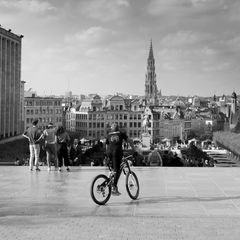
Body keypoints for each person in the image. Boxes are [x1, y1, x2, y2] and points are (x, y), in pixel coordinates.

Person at [105, 122, 135, 196]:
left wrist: (107, 155)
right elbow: (130, 141)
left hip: (109, 153)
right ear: (118, 128)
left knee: (113, 169)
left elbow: (106, 145)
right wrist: (133, 149)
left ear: (111, 129)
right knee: (117, 170)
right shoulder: (121, 133)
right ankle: (114, 187)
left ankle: (110, 180)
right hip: (117, 153)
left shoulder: (109, 134)